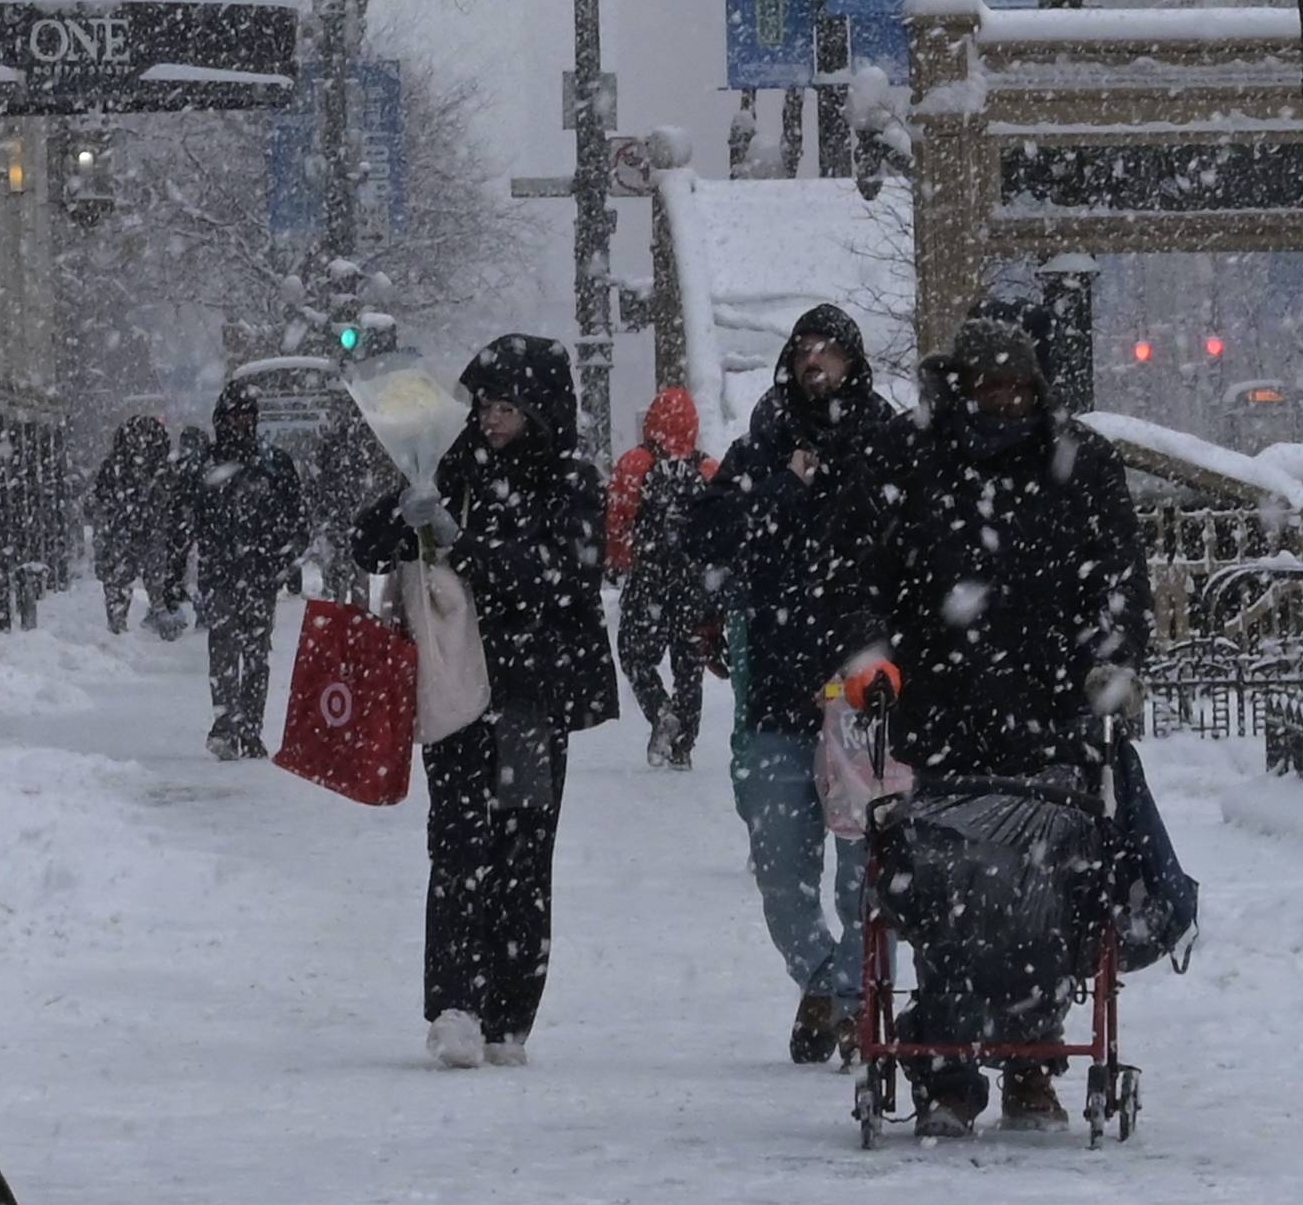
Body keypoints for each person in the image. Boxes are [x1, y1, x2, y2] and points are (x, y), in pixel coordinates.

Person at [873, 313, 1147, 1129]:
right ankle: (953, 1065)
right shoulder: (916, 460)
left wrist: (1113, 655)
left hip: (1050, 717)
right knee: (953, 887)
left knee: (1047, 890)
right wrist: (875, 658)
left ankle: (1027, 1056)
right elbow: (870, 575)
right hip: (944, 716)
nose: (1002, 403)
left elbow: (1121, 580)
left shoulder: (1082, 466)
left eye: (1015, 388)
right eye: (988, 387)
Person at [359, 331, 618, 1065]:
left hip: (530, 696)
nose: (494, 420)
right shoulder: (450, 466)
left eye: (510, 407)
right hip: (455, 688)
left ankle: (509, 1014)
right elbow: (366, 544)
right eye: (487, 405)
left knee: (524, 853)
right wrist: (402, 514)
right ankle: (455, 1006)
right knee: (457, 846)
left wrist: (459, 542)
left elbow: (561, 576)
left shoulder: (569, 480)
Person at [695, 304, 915, 1063]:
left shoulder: (888, 446)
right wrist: (780, 491)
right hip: (779, 689)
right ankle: (823, 979)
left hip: (864, 691)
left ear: (853, 361)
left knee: (866, 866)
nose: (815, 363)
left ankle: (856, 1001)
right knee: (779, 861)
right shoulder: (760, 446)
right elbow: (710, 535)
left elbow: (906, 549)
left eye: (830, 351)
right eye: (805, 351)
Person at [177, 385, 309, 759]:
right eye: (236, 416)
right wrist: (175, 574)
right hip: (220, 572)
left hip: (259, 573)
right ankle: (226, 724)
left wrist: (288, 559)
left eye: (248, 416)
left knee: (254, 652)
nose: (243, 423)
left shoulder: (272, 464)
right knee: (223, 648)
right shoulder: (205, 466)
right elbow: (184, 521)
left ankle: (250, 728)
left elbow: (295, 518)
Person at [603, 386, 718, 769]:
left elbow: (618, 519)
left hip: (649, 576)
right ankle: (684, 745)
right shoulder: (708, 469)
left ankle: (660, 709)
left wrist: (620, 562)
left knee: (634, 654)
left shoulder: (636, 463)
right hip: (693, 583)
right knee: (689, 664)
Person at [85, 412, 182, 638]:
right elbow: (172, 497)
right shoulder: (160, 468)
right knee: (155, 578)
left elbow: (99, 499)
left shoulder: (114, 466)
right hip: (148, 530)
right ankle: (160, 616)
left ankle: (118, 627)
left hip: (122, 531)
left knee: (119, 582)